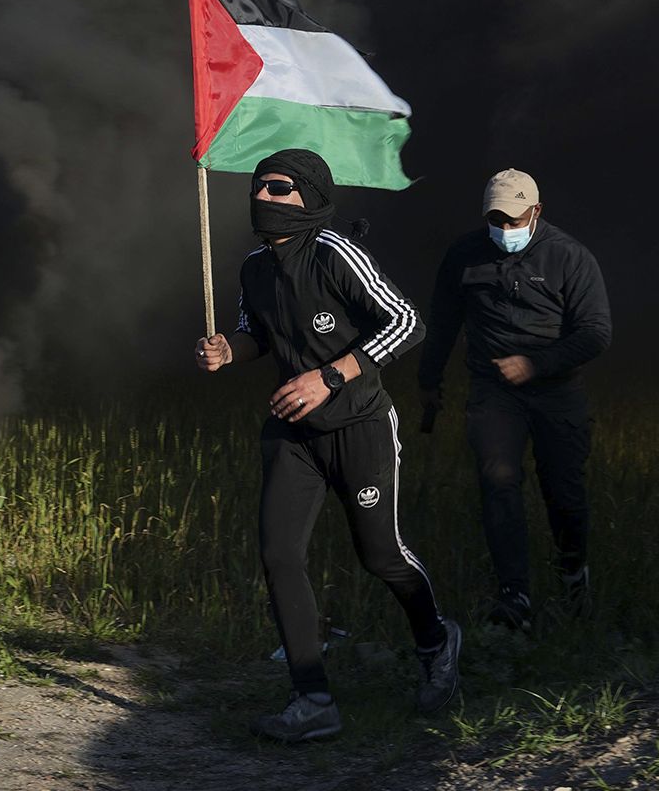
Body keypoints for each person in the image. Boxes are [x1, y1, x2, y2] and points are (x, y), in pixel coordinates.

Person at [195, 148, 460, 743]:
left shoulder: (334, 252)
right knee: (279, 554)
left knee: (380, 556)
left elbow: (406, 323)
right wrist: (227, 351)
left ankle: (437, 641)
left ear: (309, 197)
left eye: (279, 187)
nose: (262, 196)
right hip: (292, 434)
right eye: (258, 186)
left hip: (359, 424)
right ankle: (312, 699)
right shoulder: (254, 269)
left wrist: (330, 376)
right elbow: (253, 334)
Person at [418, 168, 611, 632]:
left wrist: (536, 364)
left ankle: (573, 577)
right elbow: (443, 321)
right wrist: (429, 380)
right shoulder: (465, 255)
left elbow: (597, 333)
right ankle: (514, 596)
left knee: (563, 489)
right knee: (498, 482)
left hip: (556, 390)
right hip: (493, 390)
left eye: (513, 219)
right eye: (495, 220)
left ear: (535, 212)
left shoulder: (570, 257)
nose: (504, 229)